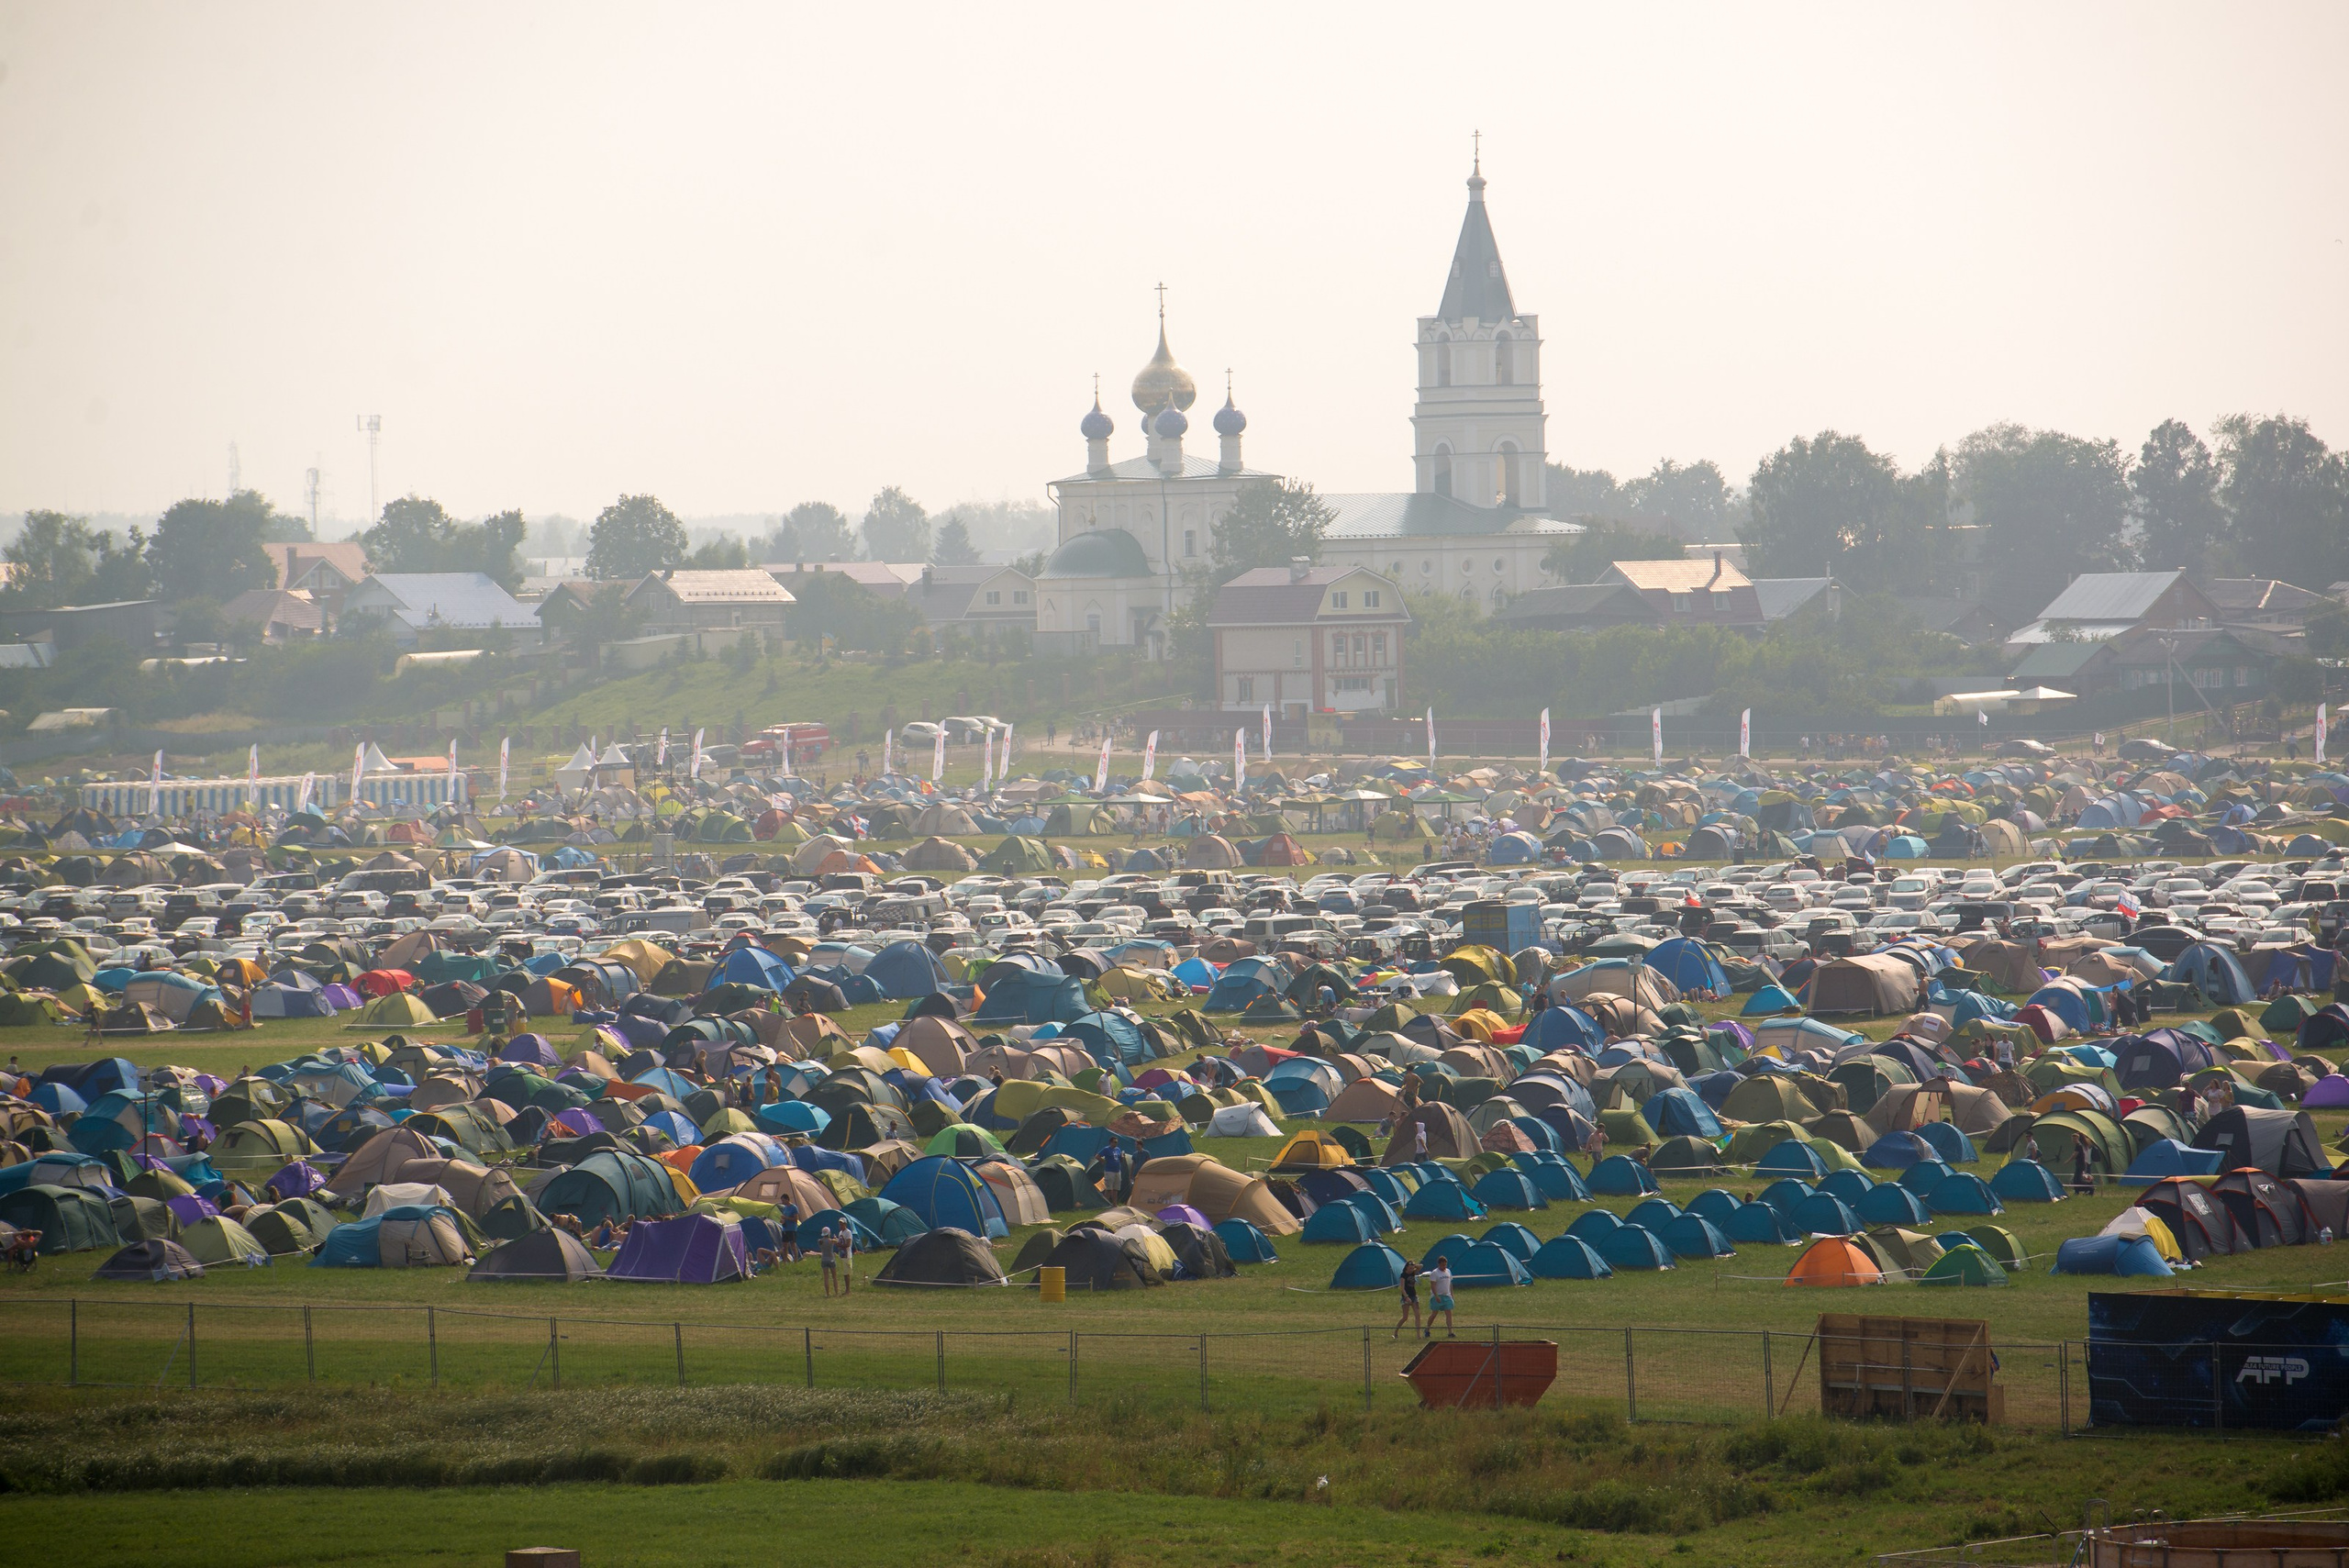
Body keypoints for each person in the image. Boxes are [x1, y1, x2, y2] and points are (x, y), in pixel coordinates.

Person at [1394, 1255, 1424, 1340]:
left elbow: (1421, 1266)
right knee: (1405, 1317)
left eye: (1412, 1268)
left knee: (1417, 1315)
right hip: (1406, 1297)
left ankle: (1418, 1335)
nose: (1411, 1270)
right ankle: (1396, 1332)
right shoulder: (1403, 1275)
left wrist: (1414, 1265)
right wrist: (1406, 1297)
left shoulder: (1413, 1272)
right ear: (1406, 1268)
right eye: (1409, 1268)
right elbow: (1402, 1288)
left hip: (1414, 1296)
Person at [1427, 1255, 1456, 1339]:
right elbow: (1433, 1285)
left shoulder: (1448, 1271)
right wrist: (1436, 1296)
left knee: (1449, 1314)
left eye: (1445, 1265)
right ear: (1439, 1264)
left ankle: (1450, 1332)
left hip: (1447, 1296)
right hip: (1437, 1296)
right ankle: (1427, 1329)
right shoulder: (1435, 1273)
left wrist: (1452, 1295)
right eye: (1443, 1265)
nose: (1444, 1267)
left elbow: (1450, 1283)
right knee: (1434, 1314)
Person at [818, 1226, 841, 1297]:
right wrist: (835, 1237)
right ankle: (836, 1292)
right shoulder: (831, 1241)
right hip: (831, 1259)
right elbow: (837, 1241)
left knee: (826, 1277)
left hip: (824, 1259)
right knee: (834, 1277)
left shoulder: (820, 1241)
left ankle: (827, 1293)